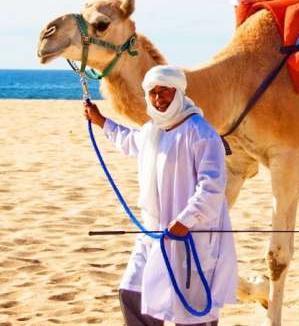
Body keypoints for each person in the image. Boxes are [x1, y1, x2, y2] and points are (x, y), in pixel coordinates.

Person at [83, 65, 237, 326]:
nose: (158, 99)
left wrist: (185, 220)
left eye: (164, 92)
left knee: (192, 313)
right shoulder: (152, 130)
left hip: (192, 239)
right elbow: (129, 141)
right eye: (153, 93)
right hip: (154, 236)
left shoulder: (201, 133)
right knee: (133, 293)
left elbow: (211, 187)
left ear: (178, 92)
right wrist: (101, 122)